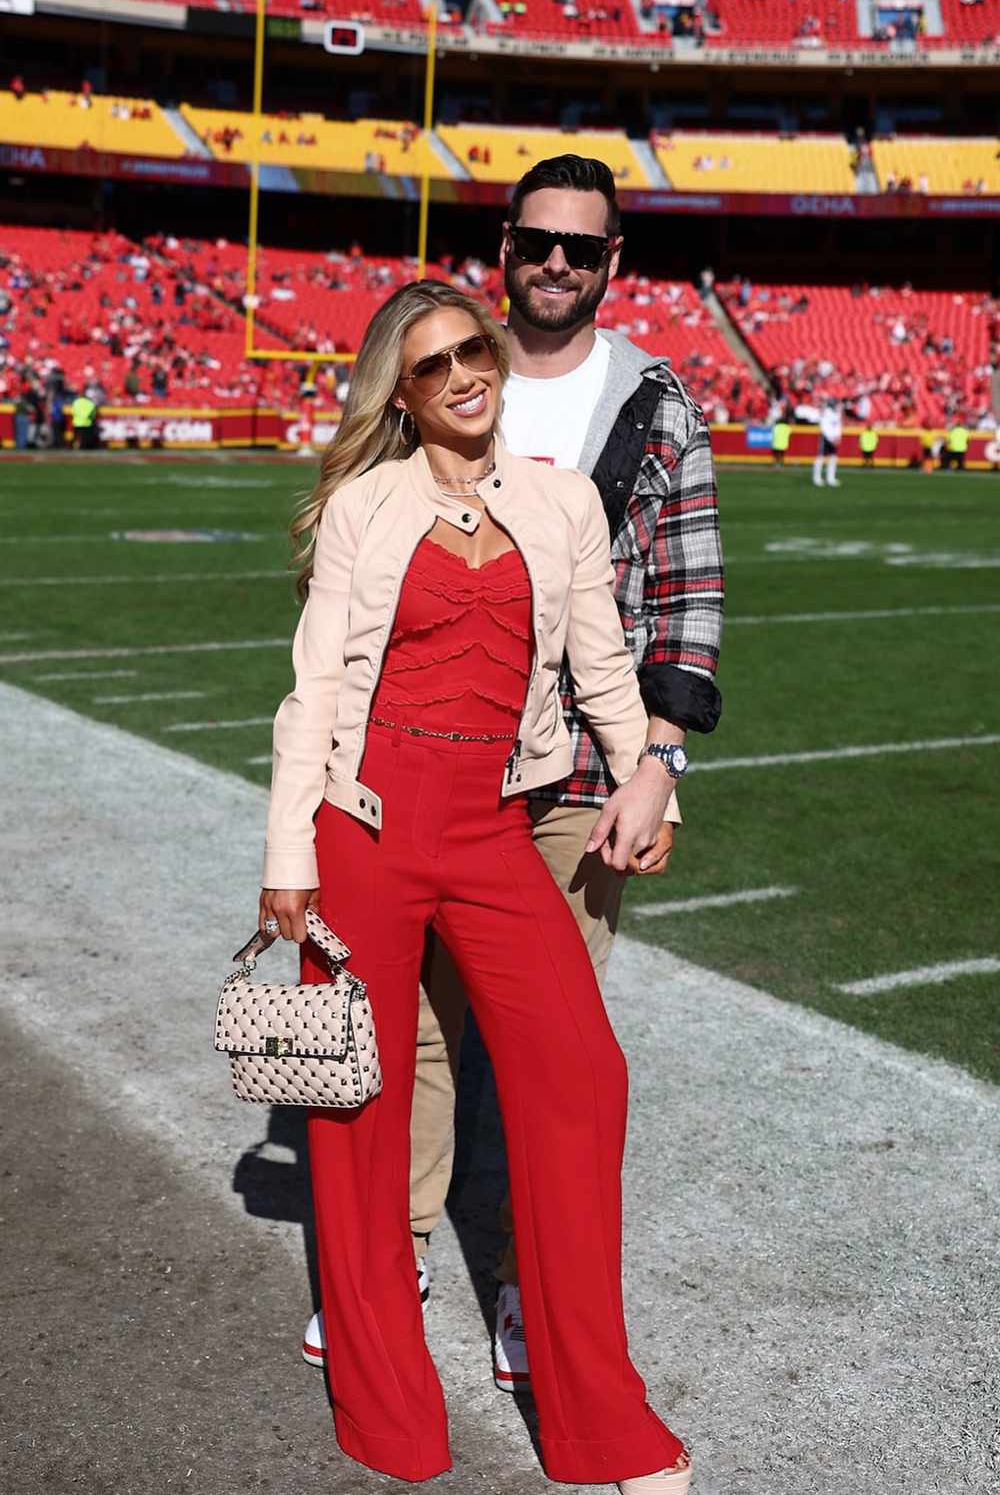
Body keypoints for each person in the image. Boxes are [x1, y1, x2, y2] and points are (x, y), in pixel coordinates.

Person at [259, 279, 692, 1493]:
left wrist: (646, 779)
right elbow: (317, 691)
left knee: (581, 1078)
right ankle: (386, 1405)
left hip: (499, 828)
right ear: (398, 391)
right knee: (356, 1113)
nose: (462, 374)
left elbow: (603, 665)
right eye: (431, 363)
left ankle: (597, 1417)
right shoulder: (363, 505)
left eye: (473, 350)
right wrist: (288, 853)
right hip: (364, 829)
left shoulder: (556, 501)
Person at [813, 397, 842, 487]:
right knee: (820, 458)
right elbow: (825, 427)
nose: (838, 406)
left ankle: (831, 478)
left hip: (834, 438)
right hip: (826, 438)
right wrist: (831, 439)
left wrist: (838, 437)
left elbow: (838, 426)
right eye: (837, 404)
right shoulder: (826, 413)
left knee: (833, 458)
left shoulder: (837, 413)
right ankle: (817, 478)